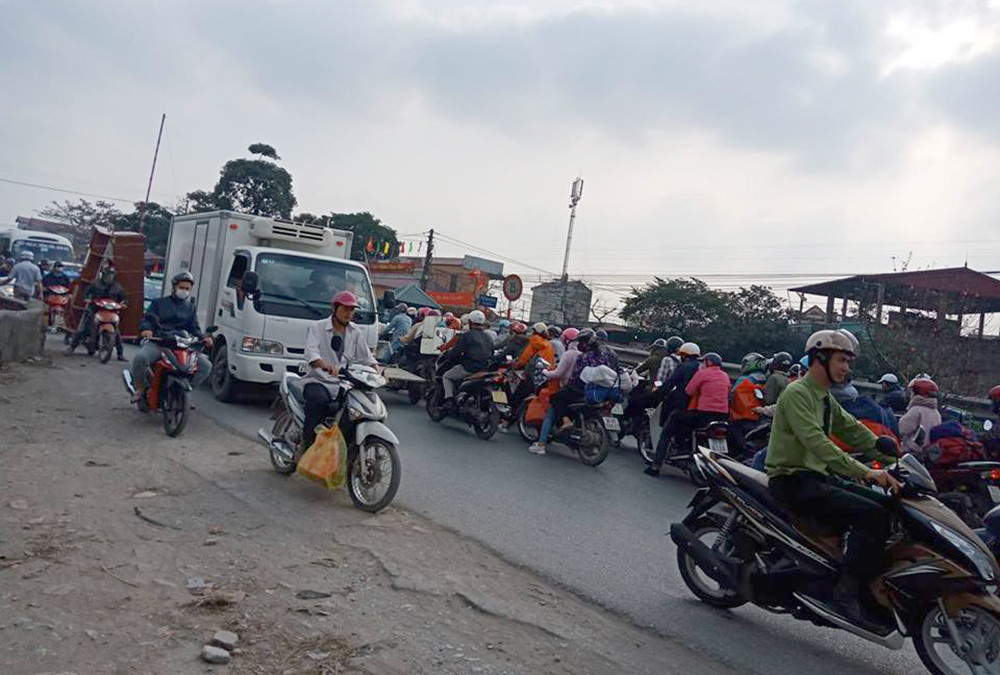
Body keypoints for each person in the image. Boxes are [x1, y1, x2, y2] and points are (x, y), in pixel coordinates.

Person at [766, 329, 901, 629]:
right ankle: (845, 592)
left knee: (890, 507)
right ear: (819, 359)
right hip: (793, 481)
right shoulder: (797, 393)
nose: (846, 368)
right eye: (841, 360)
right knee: (872, 514)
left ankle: (862, 578)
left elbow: (853, 430)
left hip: (817, 478)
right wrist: (866, 472)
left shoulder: (824, 397)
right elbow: (818, 443)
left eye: (847, 362)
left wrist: (896, 461)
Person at [298, 290, 378, 451]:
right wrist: (324, 365)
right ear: (334, 309)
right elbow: (311, 352)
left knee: (354, 410)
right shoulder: (317, 327)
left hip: (343, 383)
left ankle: (341, 447)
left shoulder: (355, 332)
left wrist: (378, 372)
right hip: (318, 380)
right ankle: (307, 445)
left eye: (352, 310)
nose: (349, 313)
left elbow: (367, 358)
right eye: (345, 309)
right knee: (319, 402)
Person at [130, 272, 214, 400]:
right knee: (140, 359)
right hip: (160, 342)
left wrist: (204, 338)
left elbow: (195, 328)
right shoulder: (159, 303)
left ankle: (185, 393)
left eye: (187, 289)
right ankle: (140, 389)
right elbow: (147, 318)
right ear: (174, 287)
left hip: (182, 346)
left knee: (206, 366)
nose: (184, 291)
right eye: (182, 287)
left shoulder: (190, 308)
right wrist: (146, 329)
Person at [528, 328, 612, 455]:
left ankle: (541, 444)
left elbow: (572, 376)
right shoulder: (604, 356)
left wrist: (547, 373)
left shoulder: (580, 356)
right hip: (597, 391)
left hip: (577, 389)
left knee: (553, 403)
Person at [645, 342, 702, 476]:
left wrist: (657, 394)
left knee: (665, 434)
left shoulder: (683, 367)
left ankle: (655, 466)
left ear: (684, 355)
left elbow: (670, 383)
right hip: (697, 407)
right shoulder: (700, 368)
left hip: (680, 405)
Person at [67, 265, 128, 359]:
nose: (109, 277)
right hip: (95, 309)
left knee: (117, 333)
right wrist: (87, 298)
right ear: (103, 275)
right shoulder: (95, 283)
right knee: (82, 328)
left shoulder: (118, 287)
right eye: (107, 275)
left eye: (111, 275)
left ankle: (120, 354)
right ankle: (72, 347)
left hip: (111, 311)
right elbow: (87, 292)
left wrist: (124, 303)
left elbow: (124, 297)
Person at [438, 310, 494, 406]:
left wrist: (448, 355)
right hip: (484, 369)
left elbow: (456, 352)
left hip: (469, 367)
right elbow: (491, 353)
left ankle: (449, 400)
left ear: (470, 322)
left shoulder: (466, 336)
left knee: (446, 376)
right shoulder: (489, 338)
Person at [898, 378, 941, 455]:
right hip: (927, 453)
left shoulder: (916, 410)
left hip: (912, 453)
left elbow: (902, 430)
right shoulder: (936, 412)